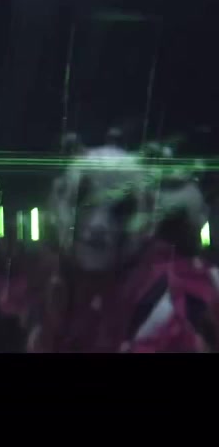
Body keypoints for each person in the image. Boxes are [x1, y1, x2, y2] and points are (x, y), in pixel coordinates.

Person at [17, 136, 218, 352]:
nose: (97, 224)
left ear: (150, 212)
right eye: (85, 204)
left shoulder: (172, 289)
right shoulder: (57, 279)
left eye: (122, 208)